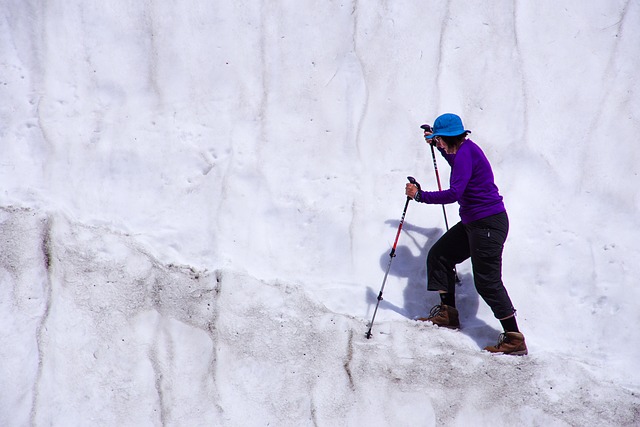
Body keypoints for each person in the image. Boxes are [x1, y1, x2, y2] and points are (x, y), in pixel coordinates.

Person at [404, 113, 527, 356]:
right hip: (475, 223)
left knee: (487, 281)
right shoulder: (463, 151)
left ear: (447, 138)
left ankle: (514, 337)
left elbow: (454, 193)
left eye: (439, 140)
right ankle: (447, 314)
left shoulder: (464, 155)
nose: (437, 143)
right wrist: (437, 146)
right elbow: (456, 166)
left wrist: (420, 195)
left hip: (487, 225)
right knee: (440, 255)